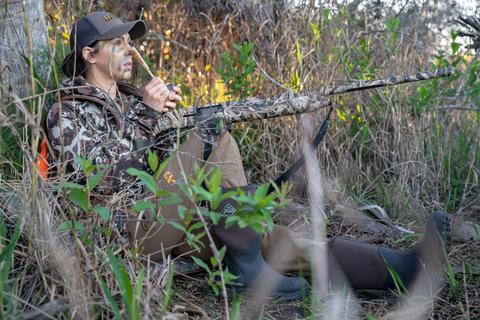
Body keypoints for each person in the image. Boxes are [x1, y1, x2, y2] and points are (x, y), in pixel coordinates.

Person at [46, 11, 451, 301]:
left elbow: (162, 165)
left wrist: (170, 124)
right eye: (117, 44)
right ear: (89, 55)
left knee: (271, 242)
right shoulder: (67, 110)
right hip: (126, 233)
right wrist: (153, 118)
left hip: (166, 217)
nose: (130, 52)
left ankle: (403, 268)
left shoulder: (134, 101)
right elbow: (104, 180)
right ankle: (247, 263)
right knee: (213, 135)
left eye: (130, 43)